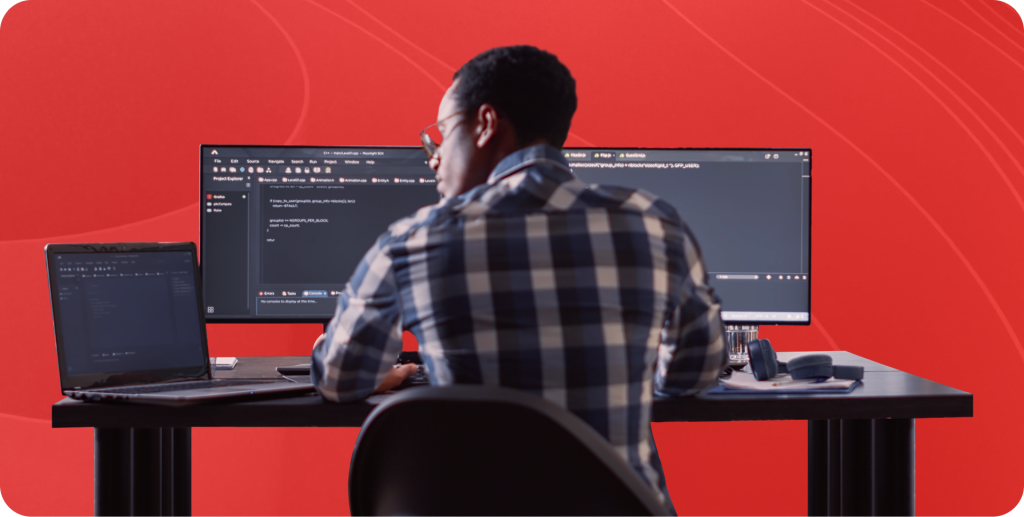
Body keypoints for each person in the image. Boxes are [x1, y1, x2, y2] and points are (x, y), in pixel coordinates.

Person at [311, 45, 726, 515]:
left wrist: (391, 376)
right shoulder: (655, 224)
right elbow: (694, 373)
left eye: (443, 134)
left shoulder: (413, 241)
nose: (434, 157)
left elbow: (339, 379)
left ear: (486, 124)